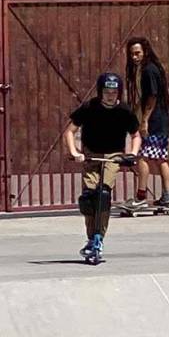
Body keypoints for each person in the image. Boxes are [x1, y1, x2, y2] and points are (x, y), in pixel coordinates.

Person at [63, 73, 141, 259]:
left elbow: (136, 135)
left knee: (103, 196)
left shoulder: (124, 111)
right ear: (100, 92)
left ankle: (99, 238)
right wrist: (75, 152)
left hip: (113, 156)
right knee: (89, 198)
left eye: (114, 92)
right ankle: (91, 238)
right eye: (106, 92)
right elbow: (70, 131)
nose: (110, 96)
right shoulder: (90, 107)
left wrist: (132, 154)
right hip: (91, 155)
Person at [124, 37, 169, 209]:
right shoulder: (145, 69)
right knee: (160, 157)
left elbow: (152, 96)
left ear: (145, 52)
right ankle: (167, 195)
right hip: (160, 119)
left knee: (143, 156)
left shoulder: (149, 70)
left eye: (137, 53)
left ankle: (141, 195)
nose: (134, 57)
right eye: (132, 54)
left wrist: (144, 120)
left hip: (155, 120)